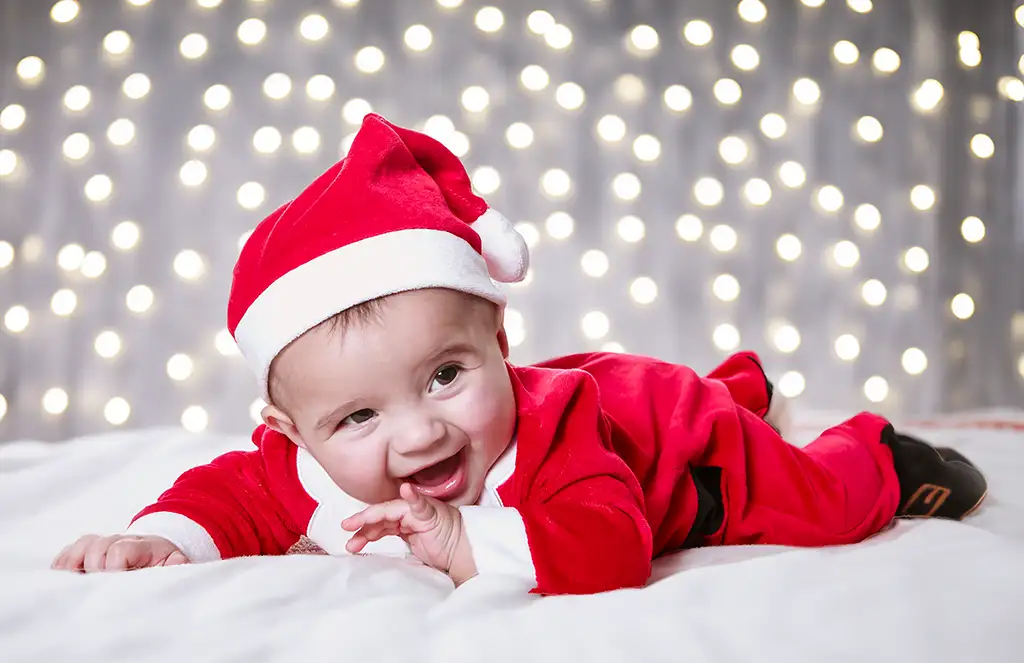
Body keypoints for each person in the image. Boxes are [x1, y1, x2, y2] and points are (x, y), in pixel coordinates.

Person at [51, 114, 988, 596]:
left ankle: (876, 455)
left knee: (799, 501)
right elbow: (228, 493)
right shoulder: (294, 468)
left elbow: (610, 543)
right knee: (722, 401)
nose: (420, 430)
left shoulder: (551, 432)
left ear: (500, 344)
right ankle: (742, 385)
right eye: (358, 416)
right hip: (604, 399)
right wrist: (158, 538)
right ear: (290, 430)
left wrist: (467, 543)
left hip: (656, 432)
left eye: (446, 375)